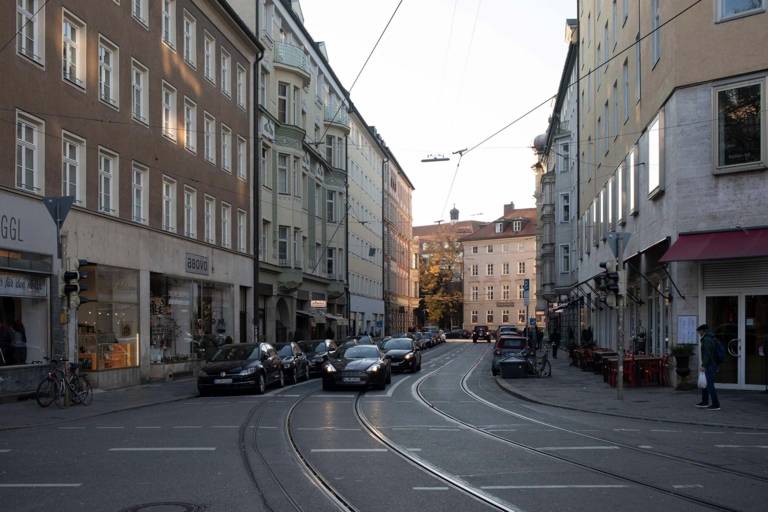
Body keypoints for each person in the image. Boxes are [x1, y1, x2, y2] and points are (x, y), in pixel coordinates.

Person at [696, 324, 721, 411]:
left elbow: (707, 354)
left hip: (710, 365)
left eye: (699, 331)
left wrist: (704, 365)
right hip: (712, 364)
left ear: (703, 331)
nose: (698, 333)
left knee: (710, 384)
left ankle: (715, 404)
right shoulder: (710, 338)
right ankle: (704, 401)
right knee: (706, 383)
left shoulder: (707, 340)